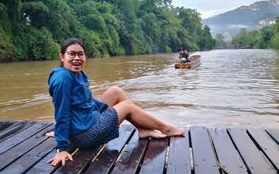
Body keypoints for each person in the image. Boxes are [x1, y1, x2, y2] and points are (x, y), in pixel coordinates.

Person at [47, 38, 184, 166]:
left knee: (115, 91)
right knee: (127, 106)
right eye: (72, 54)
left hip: (84, 123)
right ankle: (167, 129)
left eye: (80, 54)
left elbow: (83, 102)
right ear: (62, 57)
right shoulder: (62, 79)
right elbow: (62, 111)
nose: (77, 58)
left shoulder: (76, 74)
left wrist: (62, 131)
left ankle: (142, 128)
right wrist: (62, 147)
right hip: (85, 136)